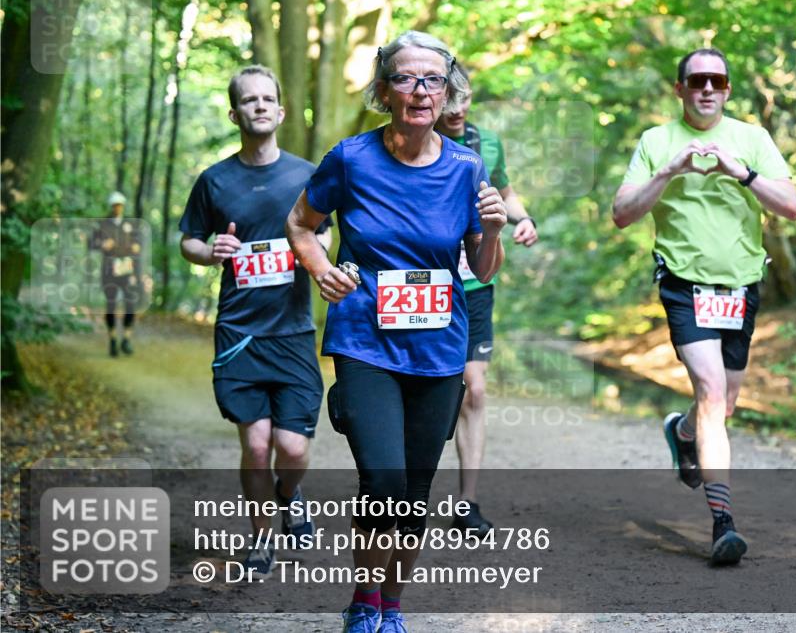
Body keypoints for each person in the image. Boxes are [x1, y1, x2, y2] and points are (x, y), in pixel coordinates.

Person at [286, 31, 505, 633]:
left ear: (448, 91)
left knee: (413, 493)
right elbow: (301, 224)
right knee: (382, 478)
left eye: (432, 80)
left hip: (438, 347)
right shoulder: (351, 158)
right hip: (364, 339)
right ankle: (363, 602)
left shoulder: (466, 167)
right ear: (384, 89)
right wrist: (323, 271)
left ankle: (390, 605)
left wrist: (491, 232)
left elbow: (481, 270)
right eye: (405, 78)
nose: (419, 91)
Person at [612, 48, 796, 565]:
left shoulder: (752, 139)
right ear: (680, 89)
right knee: (714, 393)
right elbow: (622, 215)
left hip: (740, 286)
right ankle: (723, 524)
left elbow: (791, 205)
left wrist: (741, 173)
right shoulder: (656, 141)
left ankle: (684, 431)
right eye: (697, 81)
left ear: (728, 88)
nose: (707, 89)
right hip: (683, 284)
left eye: (717, 80)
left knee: (723, 404)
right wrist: (668, 171)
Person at [179, 65, 331, 578]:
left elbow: (325, 238)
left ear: (282, 111)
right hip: (239, 335)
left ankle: (291, 494)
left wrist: (310, 253)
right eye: (250, 100)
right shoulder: (215, 180)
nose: (260, 106)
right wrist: (210, 251)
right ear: (234, 113)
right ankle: (261, 539)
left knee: (292, 447)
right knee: (257, 442)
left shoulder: (307, 176)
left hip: (292, 333)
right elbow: (189, 240)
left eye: (269, 98)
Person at [434, 61, 538, 537]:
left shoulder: (486, 142)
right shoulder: (412, 138)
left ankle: (466, 504)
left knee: (474, 388)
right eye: (449, 97)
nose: (457, 108)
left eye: (465, 98)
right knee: (432, 389)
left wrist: (522, 217)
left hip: (474, 283)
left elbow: (506, 193)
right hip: (424, 286)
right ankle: (405, 494)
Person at [90, 191, 142, 356]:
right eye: (114, 205)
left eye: (120, 205)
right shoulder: (103, 224)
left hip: (127, 269)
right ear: (111, 207)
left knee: (130, 304)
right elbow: (91, 243)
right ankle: (112, 340)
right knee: (111, 304)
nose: (117, 208)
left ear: (123, 206)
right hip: (109, 270)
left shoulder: (130, 224)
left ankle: (126, 338)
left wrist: (136, 248)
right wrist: (102, 244)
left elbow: (138, 244)